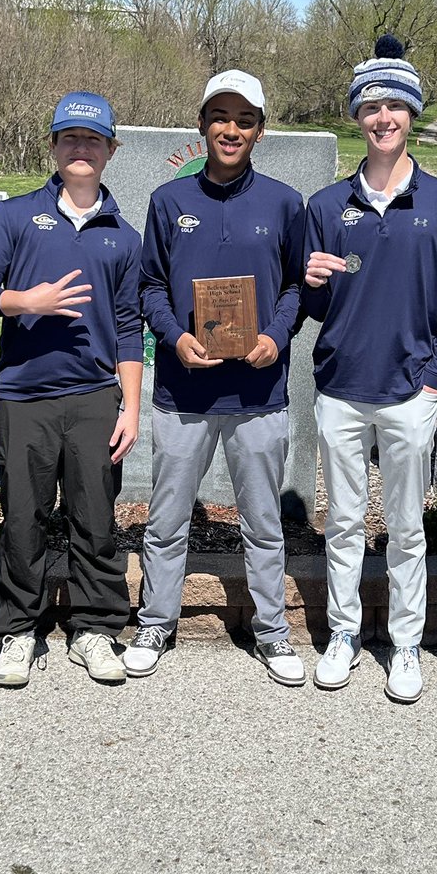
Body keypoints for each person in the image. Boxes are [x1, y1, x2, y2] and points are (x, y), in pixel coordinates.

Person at [301, 36, 437, 699]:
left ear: (412, 115)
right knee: (342, 521)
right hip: (342, 388)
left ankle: (405, 645)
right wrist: (312, 280)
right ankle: (343, 634)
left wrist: (433, 380)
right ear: (357, 116)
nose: (383, 118)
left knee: (405, 527)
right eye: (371, 107)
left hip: (410, 392)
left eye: (395, 106)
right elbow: (315, 304)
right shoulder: (326, 206)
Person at [123, 70, 306, 685]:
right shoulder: (169, 202)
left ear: (260, 129)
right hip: (184, 391)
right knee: (169, 518)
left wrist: (274, 338)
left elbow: (292, 288)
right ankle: (156, 621)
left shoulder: (284, 203)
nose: (231, 130)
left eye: (244, 119)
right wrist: (174, 338)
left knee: (263, 522)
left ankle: (273, 631)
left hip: (258, 393)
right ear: (202, 126)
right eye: (220, 118)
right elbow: (149, 285)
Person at [0, 92, 142, 688]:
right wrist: (29, 302)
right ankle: (18, 630)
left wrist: (129, 406)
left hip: (95, 397)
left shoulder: (124, 237)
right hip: (25, 395)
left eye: (93, 139)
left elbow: (130, 328)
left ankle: (96, 629)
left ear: (109, 151)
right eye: (70, 138)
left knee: (94, 519)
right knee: (23, 517)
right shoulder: (15, 218)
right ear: (53, 145)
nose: (81, 148)